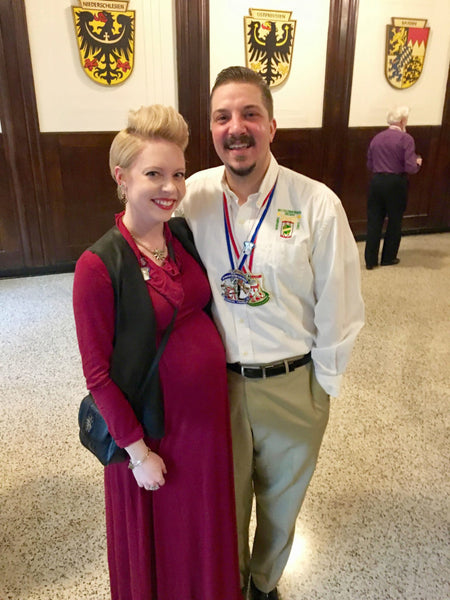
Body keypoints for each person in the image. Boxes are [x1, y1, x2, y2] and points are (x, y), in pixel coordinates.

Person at [178, 66, 365, 599]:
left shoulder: (316, 205)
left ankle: (262, 585)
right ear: (212, 130)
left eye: (249, 114)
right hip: (219, 387)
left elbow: (342, 304)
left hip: (294, 383)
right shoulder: (191, 198)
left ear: (272, 126)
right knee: (225, 503)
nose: (236, 127)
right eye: (222, 117)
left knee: (282, 506)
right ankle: (228, 585)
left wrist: (322, 386)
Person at [73, 104, 242, 600]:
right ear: (121, 177)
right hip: (153, 435)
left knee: (202, 533)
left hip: (205, 427)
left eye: (177, 174)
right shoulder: (98, 265)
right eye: (154, 174)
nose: (170, 187)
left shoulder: (182, 237)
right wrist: (137, 452)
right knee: (163, 546)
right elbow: (98, 376)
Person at [365, 105, 422, 269]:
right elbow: (410, 167)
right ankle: (388, 257)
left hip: (376, 182)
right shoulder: (406, 139)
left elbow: (370, 164)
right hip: (396, 183)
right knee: (395, 221)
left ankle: (370, 260)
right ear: (403, 121)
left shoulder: (376, 138)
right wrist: (417, 163)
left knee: (374, 220)